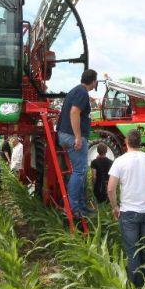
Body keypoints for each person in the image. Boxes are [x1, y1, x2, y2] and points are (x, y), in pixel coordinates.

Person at [107, 129, 145, 288]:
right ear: (140, 142)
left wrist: (115, 207)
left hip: (128, 212)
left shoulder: (120, 161)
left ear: (126, 141)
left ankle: (137, 288)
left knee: (132, 251)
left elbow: (111, 189)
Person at [57, 69, 98, 216]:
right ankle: (74, 209)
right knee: (79, 171)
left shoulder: (74, 91)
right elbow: (74, 112)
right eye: (96, 81)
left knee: (80, 171)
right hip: (71, 136)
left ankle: (81, 205)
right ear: (93, 81)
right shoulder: (82, 93)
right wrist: (78, 137)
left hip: (65, 134)